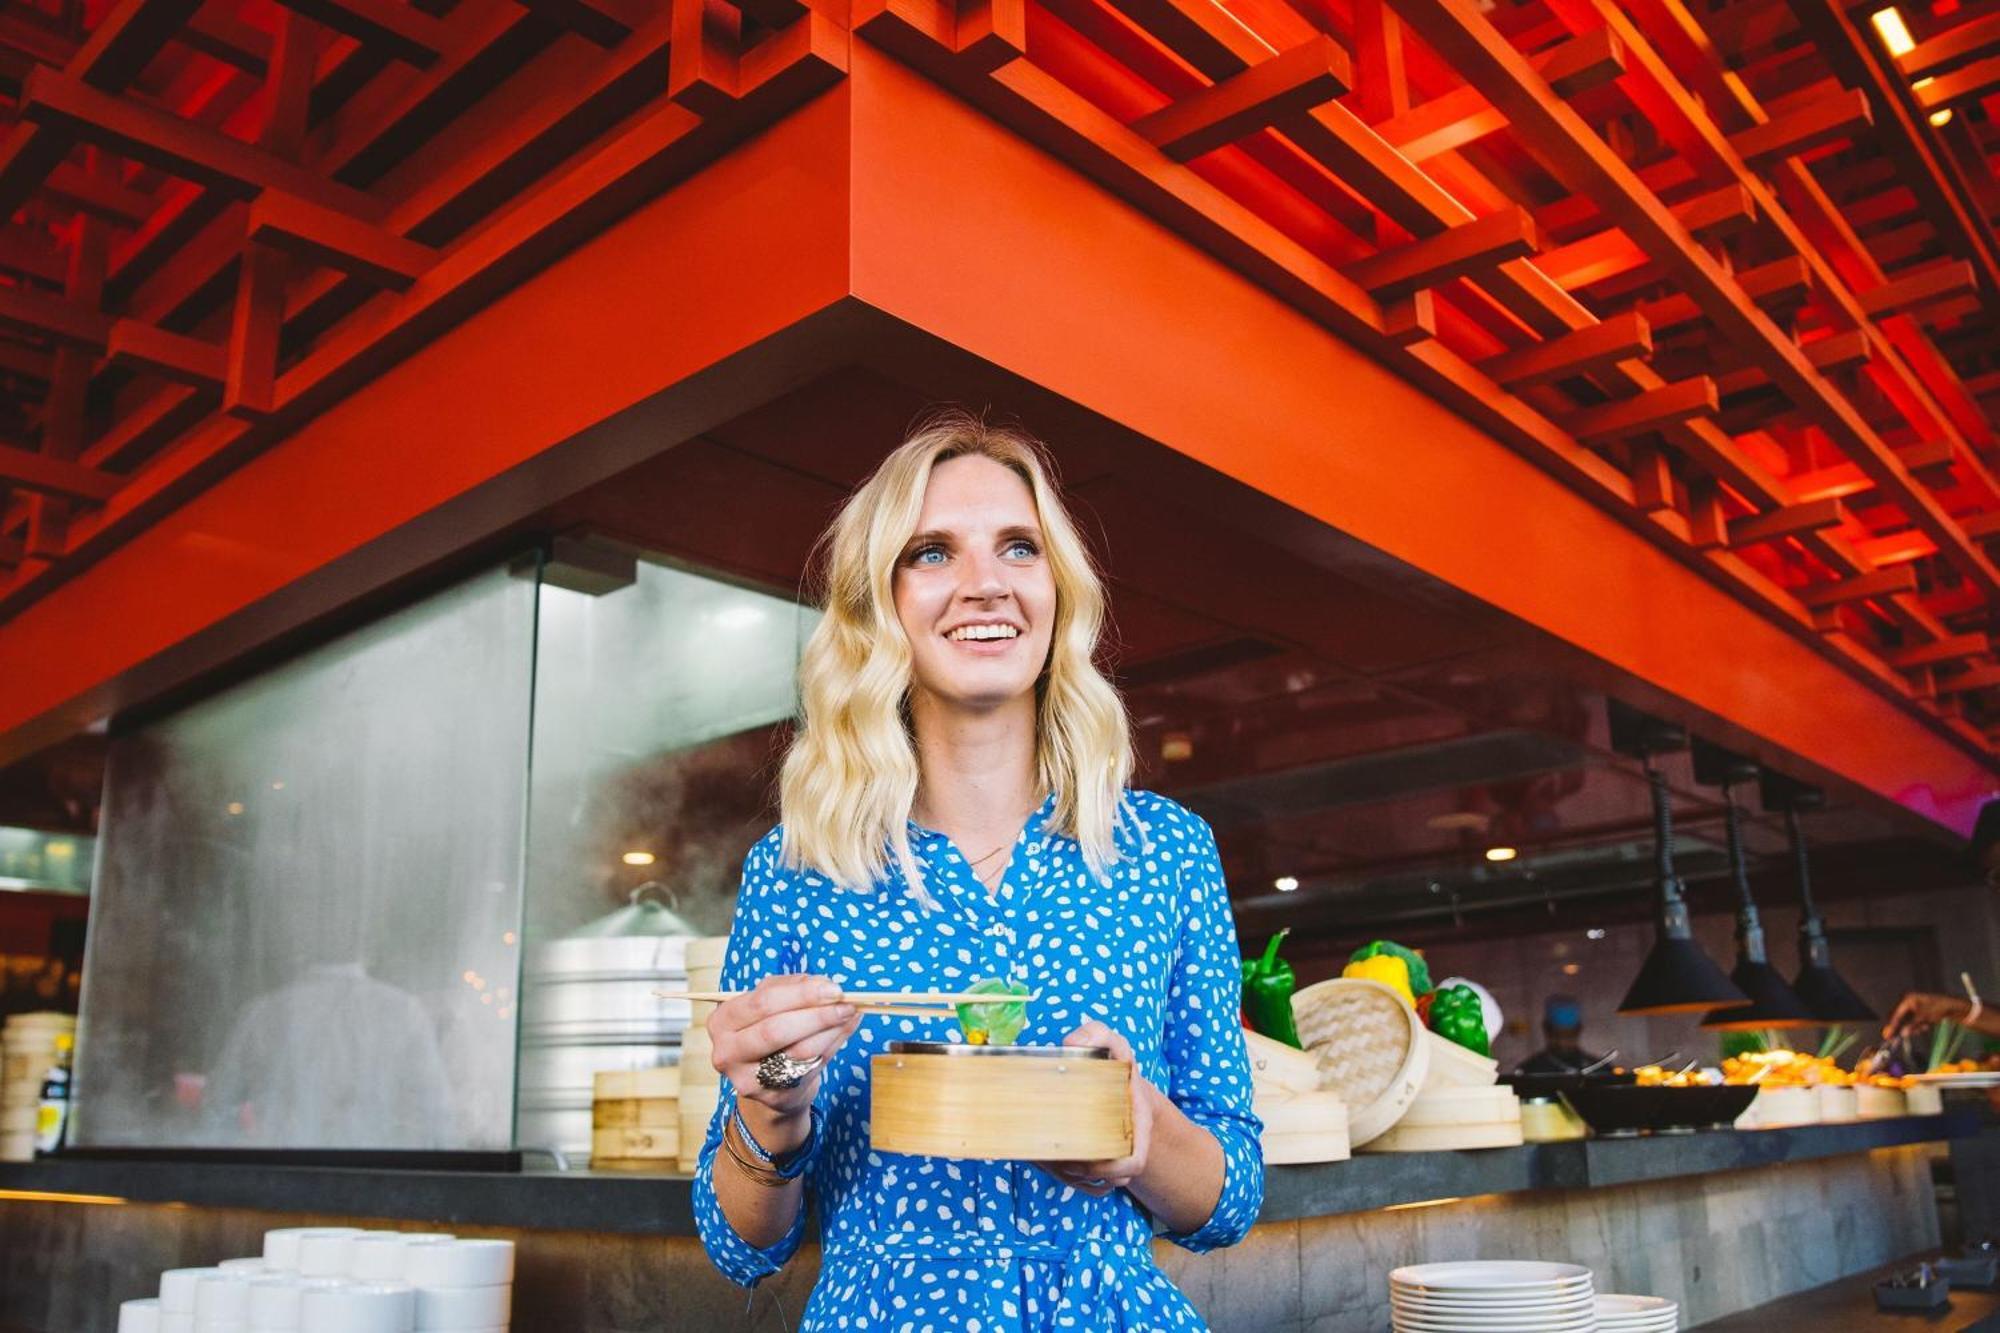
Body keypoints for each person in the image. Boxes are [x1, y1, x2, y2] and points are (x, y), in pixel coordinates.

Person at [691, 414, 1263, 1330]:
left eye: (1017, 547)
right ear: (880, 603)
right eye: (931, 553)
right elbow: (742, 1243)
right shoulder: (801, 867)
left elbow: (1229, 1201)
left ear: (1057, 590)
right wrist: (772, 1107)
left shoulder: (1166, 850)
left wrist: (1136, 1129)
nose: (984, 583)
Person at [1516, 993, 1606, 1075]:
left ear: (1579, 1030)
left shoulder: (1599, 1070)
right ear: (1546, 1030)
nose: (1562, 1042)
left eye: (1569, 1036)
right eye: (1557, 1035)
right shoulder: (1529, 1070)